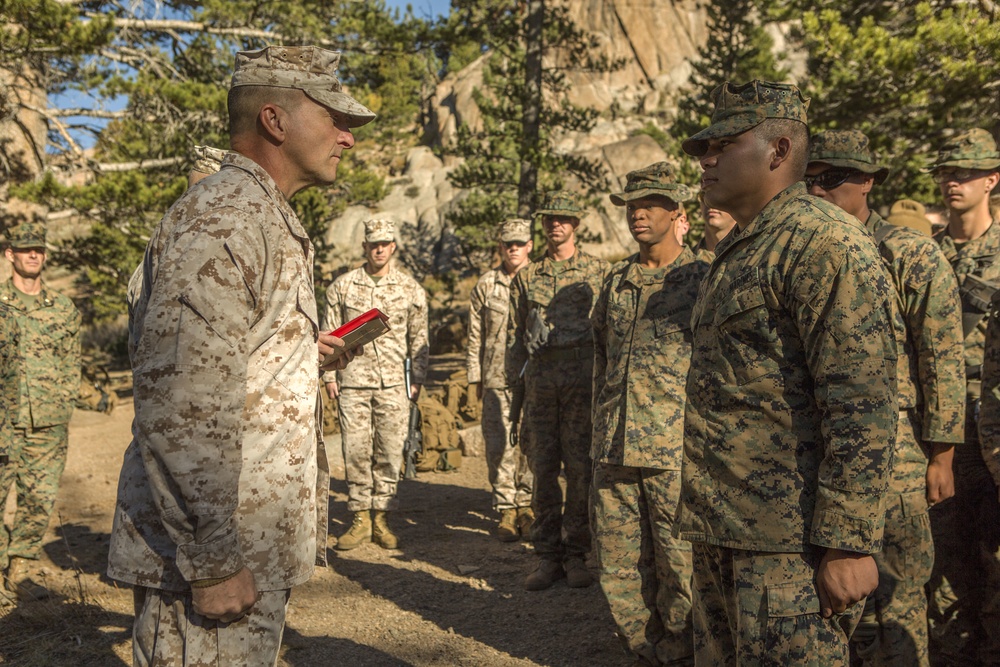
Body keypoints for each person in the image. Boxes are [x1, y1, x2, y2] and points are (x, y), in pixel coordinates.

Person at [108, 45, 374, 666]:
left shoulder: (260, 214)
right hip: (211, 555)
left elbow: (228, 361)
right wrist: (213, 559)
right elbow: (183, 400)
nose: (347, 138)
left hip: (247, 540)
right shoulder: (226, 217)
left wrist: (303, 355)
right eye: (333, 117)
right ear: (275, 121)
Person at [676, 80, 898, 664]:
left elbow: (863, 404)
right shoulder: (745, 247)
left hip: (789, 547)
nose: (705, 158)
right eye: (704, 147)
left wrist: (847, 542)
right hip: (724, 527)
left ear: (778, 150)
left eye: (723, 142)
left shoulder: (824, 243)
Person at [806, 129, 965, 667]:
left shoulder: (908, 252)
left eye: (830, 180)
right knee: (835, 603)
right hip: (827, 454)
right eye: (810, 181)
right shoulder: (809, 252)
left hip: (900, 453)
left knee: (899, 597)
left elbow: (941, 354)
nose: (818, 191)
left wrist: (942, 453)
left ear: (867, 183)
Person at [591, 162, 708, 666]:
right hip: (615, 443)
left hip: (674, 446)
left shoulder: (703, 276)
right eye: (632, 206)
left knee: (678, 562)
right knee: (618, 559)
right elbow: (602, 357)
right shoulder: (615, 280)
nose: (639, 214)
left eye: (651, 204)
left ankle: (680, 650)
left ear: (677, 212)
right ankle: (638, 647)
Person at [507, 191, 609, 591]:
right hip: (542, 384)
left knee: (581, 470)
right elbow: (517, 339)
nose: (556, 226)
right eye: (550, 219)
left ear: (576, 225)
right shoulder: (528, 276)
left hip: (583, 383)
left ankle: (577, 553)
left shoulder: (597, 273)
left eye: (563, 219)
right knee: (544, 470)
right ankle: (547, 555)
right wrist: (515, 396)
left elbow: (607, 333)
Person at [926, 127, 1000, 666]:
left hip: (993, 426)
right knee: (945, 556)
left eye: (965, 172)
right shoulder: (923, 257)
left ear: (991, 180)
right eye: (946, 173)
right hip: (941, 432)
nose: (952, 182)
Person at [323, 218, 429, 551]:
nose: (379, 248)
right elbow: (328, 334)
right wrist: (328, 375)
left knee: (389, 451)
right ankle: (360, 518)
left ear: (393, 246)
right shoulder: (342, 286)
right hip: (352, 381)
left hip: (395, 383)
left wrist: (417, 380)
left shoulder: (410, 288)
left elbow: (420, 337)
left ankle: (382, 517)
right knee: (355, 451)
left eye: (385, 243)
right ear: (365, 246)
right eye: (373, 243)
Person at [0, 221, 81, 601]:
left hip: (48, 421)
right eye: (25, 248)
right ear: (9, 255)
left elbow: (72, 361)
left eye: (39, 249)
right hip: (3, 420)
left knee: (39, 497)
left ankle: (19, 565)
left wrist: (64, 401)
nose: (33, 254)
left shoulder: (63, 309)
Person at [466, 218, 535, 542]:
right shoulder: (486, 284)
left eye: (519, 243)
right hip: (495, 376)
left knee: (530, 442)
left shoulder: (539, 279)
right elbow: (474, 336)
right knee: (498, 445)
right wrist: (473, 379)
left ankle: (527, 505)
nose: (514, 249)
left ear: (529, 246)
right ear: (501, 247)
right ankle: (506, 508)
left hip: (533, 376)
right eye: (509, 244)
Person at [692, 193, 736, 258]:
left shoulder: (750, 256)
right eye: (704, 196)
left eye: (720, 196)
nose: (710, 203)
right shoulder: (687, 262)